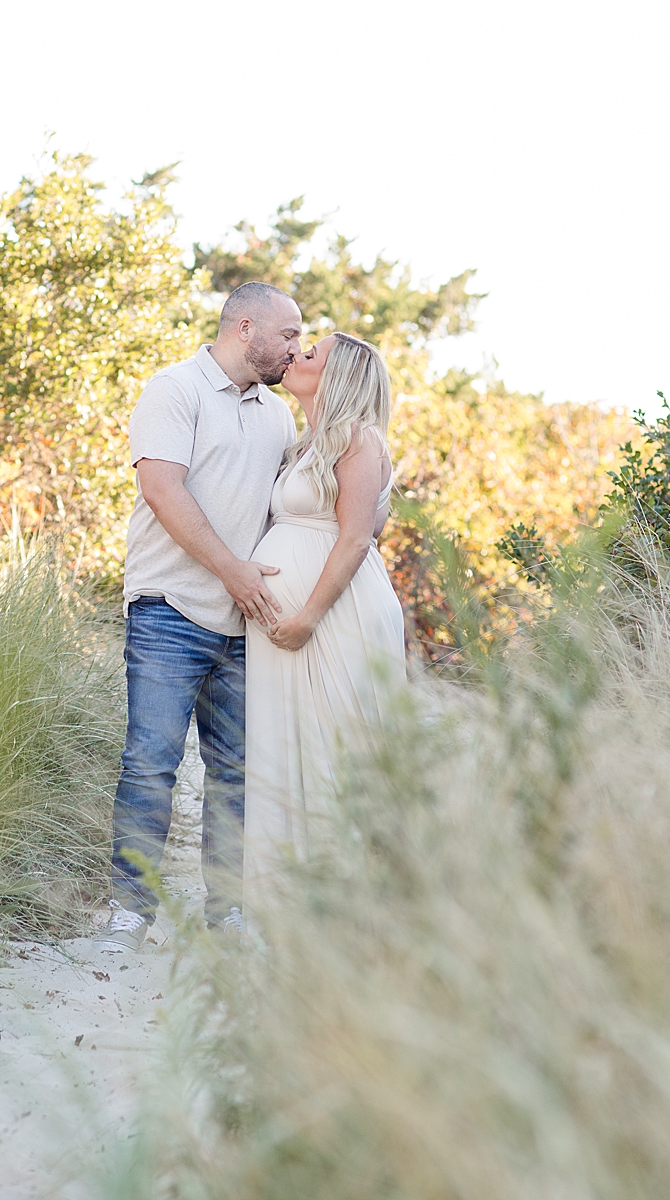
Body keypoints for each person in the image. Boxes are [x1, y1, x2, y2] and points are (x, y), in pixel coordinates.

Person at [95, 282, 302, 952]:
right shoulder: (173, 389)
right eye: (290, 335)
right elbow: (161, 489)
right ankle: (128, 914)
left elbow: (288, 508)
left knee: (237, 772)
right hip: (169, 609)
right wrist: (231, 570)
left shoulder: (277, 417)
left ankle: (228, 916)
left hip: (246, 625)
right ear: (248, 328)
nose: (296, 349)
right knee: (151, 763)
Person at [242, 332, 405, 911]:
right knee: (286, 747)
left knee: (336, 748)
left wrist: (308, 615)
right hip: (288, 627)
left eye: (311, 354)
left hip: (337, 617)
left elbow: (357, 536)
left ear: (337, 378)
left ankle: (347, 905)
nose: (296, 355)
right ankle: (284, 900)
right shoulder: (307, 443)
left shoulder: (359, 441)